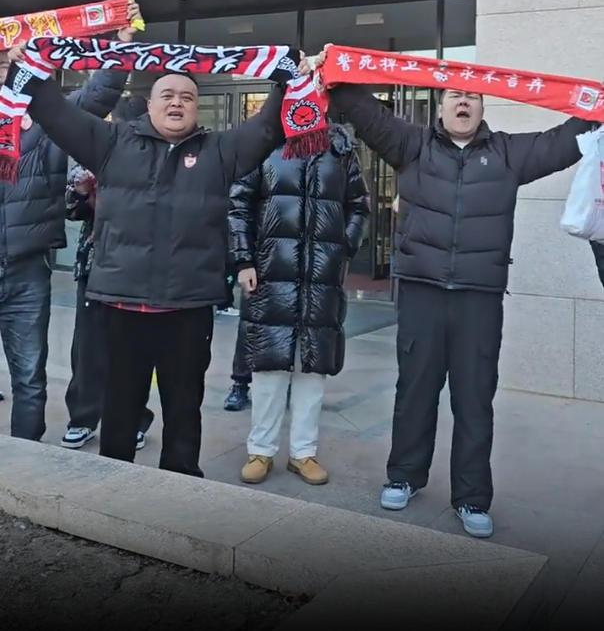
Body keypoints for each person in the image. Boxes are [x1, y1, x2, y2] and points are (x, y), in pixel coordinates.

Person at [303, 47, 597, 537]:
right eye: (455, 95)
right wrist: (330, 70)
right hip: (422, 290)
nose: (463, 102)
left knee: (475, 397)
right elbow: (364, 111)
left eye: (472, 97)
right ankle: (403, 476)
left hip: (479, 296)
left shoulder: (507, 153)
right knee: (415, 389)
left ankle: (473, 497)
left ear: (482, 107)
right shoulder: (412, 145)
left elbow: (563, 142)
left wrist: (596, 107)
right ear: (440, 105)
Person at [10, 61, 287, 477]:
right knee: (119, 409)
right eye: (168, 96)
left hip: (188, 309)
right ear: (151, 105)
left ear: (196, 108)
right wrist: (27, 66)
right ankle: (117, 488)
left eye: (187, 97)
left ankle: (180, 486)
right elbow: (57, 114)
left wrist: (286, 80)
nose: (177, 103)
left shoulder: (219, 151)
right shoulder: (111, 141)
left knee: (184, 409)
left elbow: (266, 128)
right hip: (121, 307)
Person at [0, 8, 138, 442]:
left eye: (11, 61)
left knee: (29, 378)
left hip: (26, 270)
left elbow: (97, 96)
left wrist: (121, 44)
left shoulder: (48, 119)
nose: (6, 69)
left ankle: (28, 464)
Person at [230, 123, 369, 486]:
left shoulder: (340, 150)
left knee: (312, 370)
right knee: (269, 367)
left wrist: (343, 249)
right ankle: (261, 451)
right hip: (270, 272)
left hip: (322, 275)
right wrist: (244, 259)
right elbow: (238, 204)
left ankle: (303, 453)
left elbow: (359, 206)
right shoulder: (264, 146)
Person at [62, 95, 154, 451]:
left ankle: (134, 419)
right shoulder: (95, 156)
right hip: (95, 265)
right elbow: (72, 210)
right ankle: (83, 418)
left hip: (140, 270)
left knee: (134, 350)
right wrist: (81, 192)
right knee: (87, 349)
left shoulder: (158, 160)